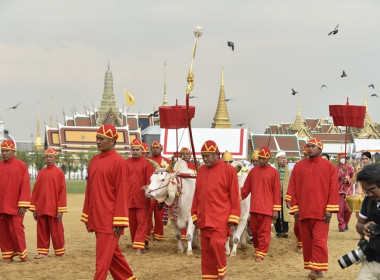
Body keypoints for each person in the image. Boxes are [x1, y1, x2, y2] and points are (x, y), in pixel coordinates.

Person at [81, 124, 136, 279]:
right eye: (97, 138)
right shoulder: (93, 161)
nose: (97, 142)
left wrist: (120, 220)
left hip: (110, 220)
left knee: (102, 262)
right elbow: (89, 191)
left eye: (101, 139)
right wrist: (87, 215)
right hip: (97, 217)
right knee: (112, 257)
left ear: (112, 141)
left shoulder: (119, 162)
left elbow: (122, 193)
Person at [288, 138, 339, 279]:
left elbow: (333, 189)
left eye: (313, 146)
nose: (309, 149)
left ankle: (316, 269)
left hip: (321, 212)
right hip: (303, 211)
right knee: (308, 242)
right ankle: (316, 268)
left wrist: (329, 209)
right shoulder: (298, 166)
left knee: (319, 241)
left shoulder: (329, 167)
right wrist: (295, 209)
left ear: (320, 149)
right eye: (308, 146)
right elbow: (293, 189)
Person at [191, 140, 241, 280]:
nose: (204, 159)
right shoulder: (200, 171)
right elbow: (197, 194)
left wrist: (233, 217)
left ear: (216, 154)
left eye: (207, 156)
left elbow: (235, 197)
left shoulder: (228, 170)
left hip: (221, 219)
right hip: (204, 218)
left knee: (216, 245)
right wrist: (194, 214)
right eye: (203, 156)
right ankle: (209, 277)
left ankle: (222, 275)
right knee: (206, 252)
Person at [241, 146, 281, 262]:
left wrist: (275, 210)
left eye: (264, 158)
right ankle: (258, 249)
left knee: (264, 232)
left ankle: (261, 253)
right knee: (254, 231)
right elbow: (245, 189)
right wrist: (235, 195)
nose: (261, 160)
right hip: (254, 208)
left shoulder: (274, 173)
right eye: (260, 158)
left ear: (269, 159)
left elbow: (277, 192)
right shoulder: (253, 171)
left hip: (267, 209)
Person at [30, 148, 67, 258]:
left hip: (54, 207)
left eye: (51, 157)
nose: (49, 159)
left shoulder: (59, 173)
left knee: (57, 231)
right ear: (44, 159)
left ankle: (60, 251)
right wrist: (34, 208)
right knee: (42, 230)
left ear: (55, 158)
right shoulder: (41, 173)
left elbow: (62, 192)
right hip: (41, 207)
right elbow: (36, 190)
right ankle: (42, 252)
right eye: (47, 157)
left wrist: (60, 209)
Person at [0, 140, 30, 263]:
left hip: (15, 206)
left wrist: (23, 204)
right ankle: (7, 256)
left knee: (16, 229)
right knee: (3, 231)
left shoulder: (21, 166)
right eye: (2, 151)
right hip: (1, 205)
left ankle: (23, 255)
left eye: (7, 151)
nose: (4, 153)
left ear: (13, 151)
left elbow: (25, 186)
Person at [126, 138, 155, 255]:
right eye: (133, 150)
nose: (135, 152)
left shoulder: (147, 164)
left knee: (142, 222)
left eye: (137, 150)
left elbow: (151, 180)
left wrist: (147, 187)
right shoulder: (125, 163)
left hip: (142, 199)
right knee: (132, 224)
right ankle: (137, 243)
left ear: (141, 150)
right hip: (129, 200)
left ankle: (139, 247)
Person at [355, 163, 380, 280]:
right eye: (366, 191)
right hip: (372, 261)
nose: (369, 194)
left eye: (372, 189)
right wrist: (364, 227)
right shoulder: (368, 200)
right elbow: (359, 225)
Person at [147, 141, 170, 243]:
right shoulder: (147, 160)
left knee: (159, 215)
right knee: (147, 214)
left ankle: (158, 236)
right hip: (150, 191)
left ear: (161, 149)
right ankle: (149, 233)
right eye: (153, 147)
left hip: (161, 193)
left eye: (157, 148)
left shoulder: (166, 161)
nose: (155, 149)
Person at [274, 151, 292, 239]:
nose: (284, 160)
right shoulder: (273, 169)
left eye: (285, 158)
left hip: (286, 194)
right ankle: (278, 231)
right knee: (276, 212)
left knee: (285, 212)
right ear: (277, 160)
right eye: (282, 158)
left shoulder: (289, 169)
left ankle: (285, 230)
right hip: (275, 194)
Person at [336, 152, 354, 232]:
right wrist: (341, 171)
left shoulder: (350, 168)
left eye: (344, 157)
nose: (343, 159)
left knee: (348, 209)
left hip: (348, 190)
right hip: (339, 190)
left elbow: (353, 178)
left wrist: (348, 180)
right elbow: (334, 178)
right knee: (340, 209)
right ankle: (341, 225)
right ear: (338, 158)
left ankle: (346, 222)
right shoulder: (335, 168)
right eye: (341, 157)